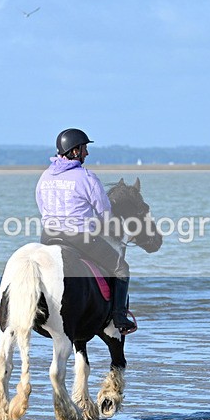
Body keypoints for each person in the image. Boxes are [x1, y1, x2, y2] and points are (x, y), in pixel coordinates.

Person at [35, 128, 137, 335]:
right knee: (121, 268)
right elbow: (104, 211)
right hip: (79, 238)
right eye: (84, 149)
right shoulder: (86, 177)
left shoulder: (44, 176)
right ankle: (119, 317)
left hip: (48, 237)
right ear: (74, 151)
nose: (87, 154)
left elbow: (41, 205)